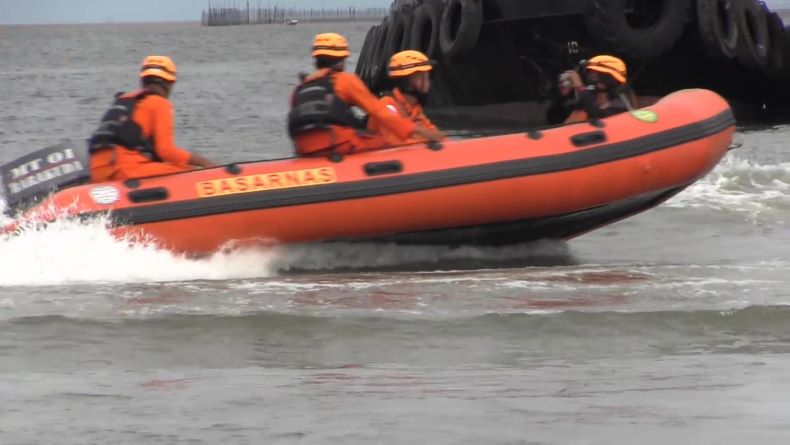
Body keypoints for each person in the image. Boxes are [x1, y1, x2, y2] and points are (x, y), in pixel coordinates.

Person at [287, 33, 444, 156]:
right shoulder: (345, 81)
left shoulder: (301, 87)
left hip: (303, 149)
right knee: (384, 143)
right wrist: (418, 132)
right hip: (335, 144)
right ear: (342, 60)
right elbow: (378, 111)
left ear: (316, 59)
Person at [89, 55, 216, 182]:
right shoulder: (159, 103)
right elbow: (165, 151)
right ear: (168, 84)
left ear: (143, 81)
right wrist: (204, 162)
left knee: (174, 166)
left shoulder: (125, 100)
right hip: (124, 169)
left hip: (98, 171)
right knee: (189, 174)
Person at [368, 50, 445, 145]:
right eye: (422, 77)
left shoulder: (413, 108)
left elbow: (436, 135)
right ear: (407, 83)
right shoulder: (387, 106)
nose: (427, 83)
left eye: (427, 77)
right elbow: (396, 144)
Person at [551, 55, 636, 124]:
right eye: (592, 75)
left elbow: (597, 114)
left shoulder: (620, 106)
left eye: (606, 78)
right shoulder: (589, 93)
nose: (596, 81)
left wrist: (579, 86)